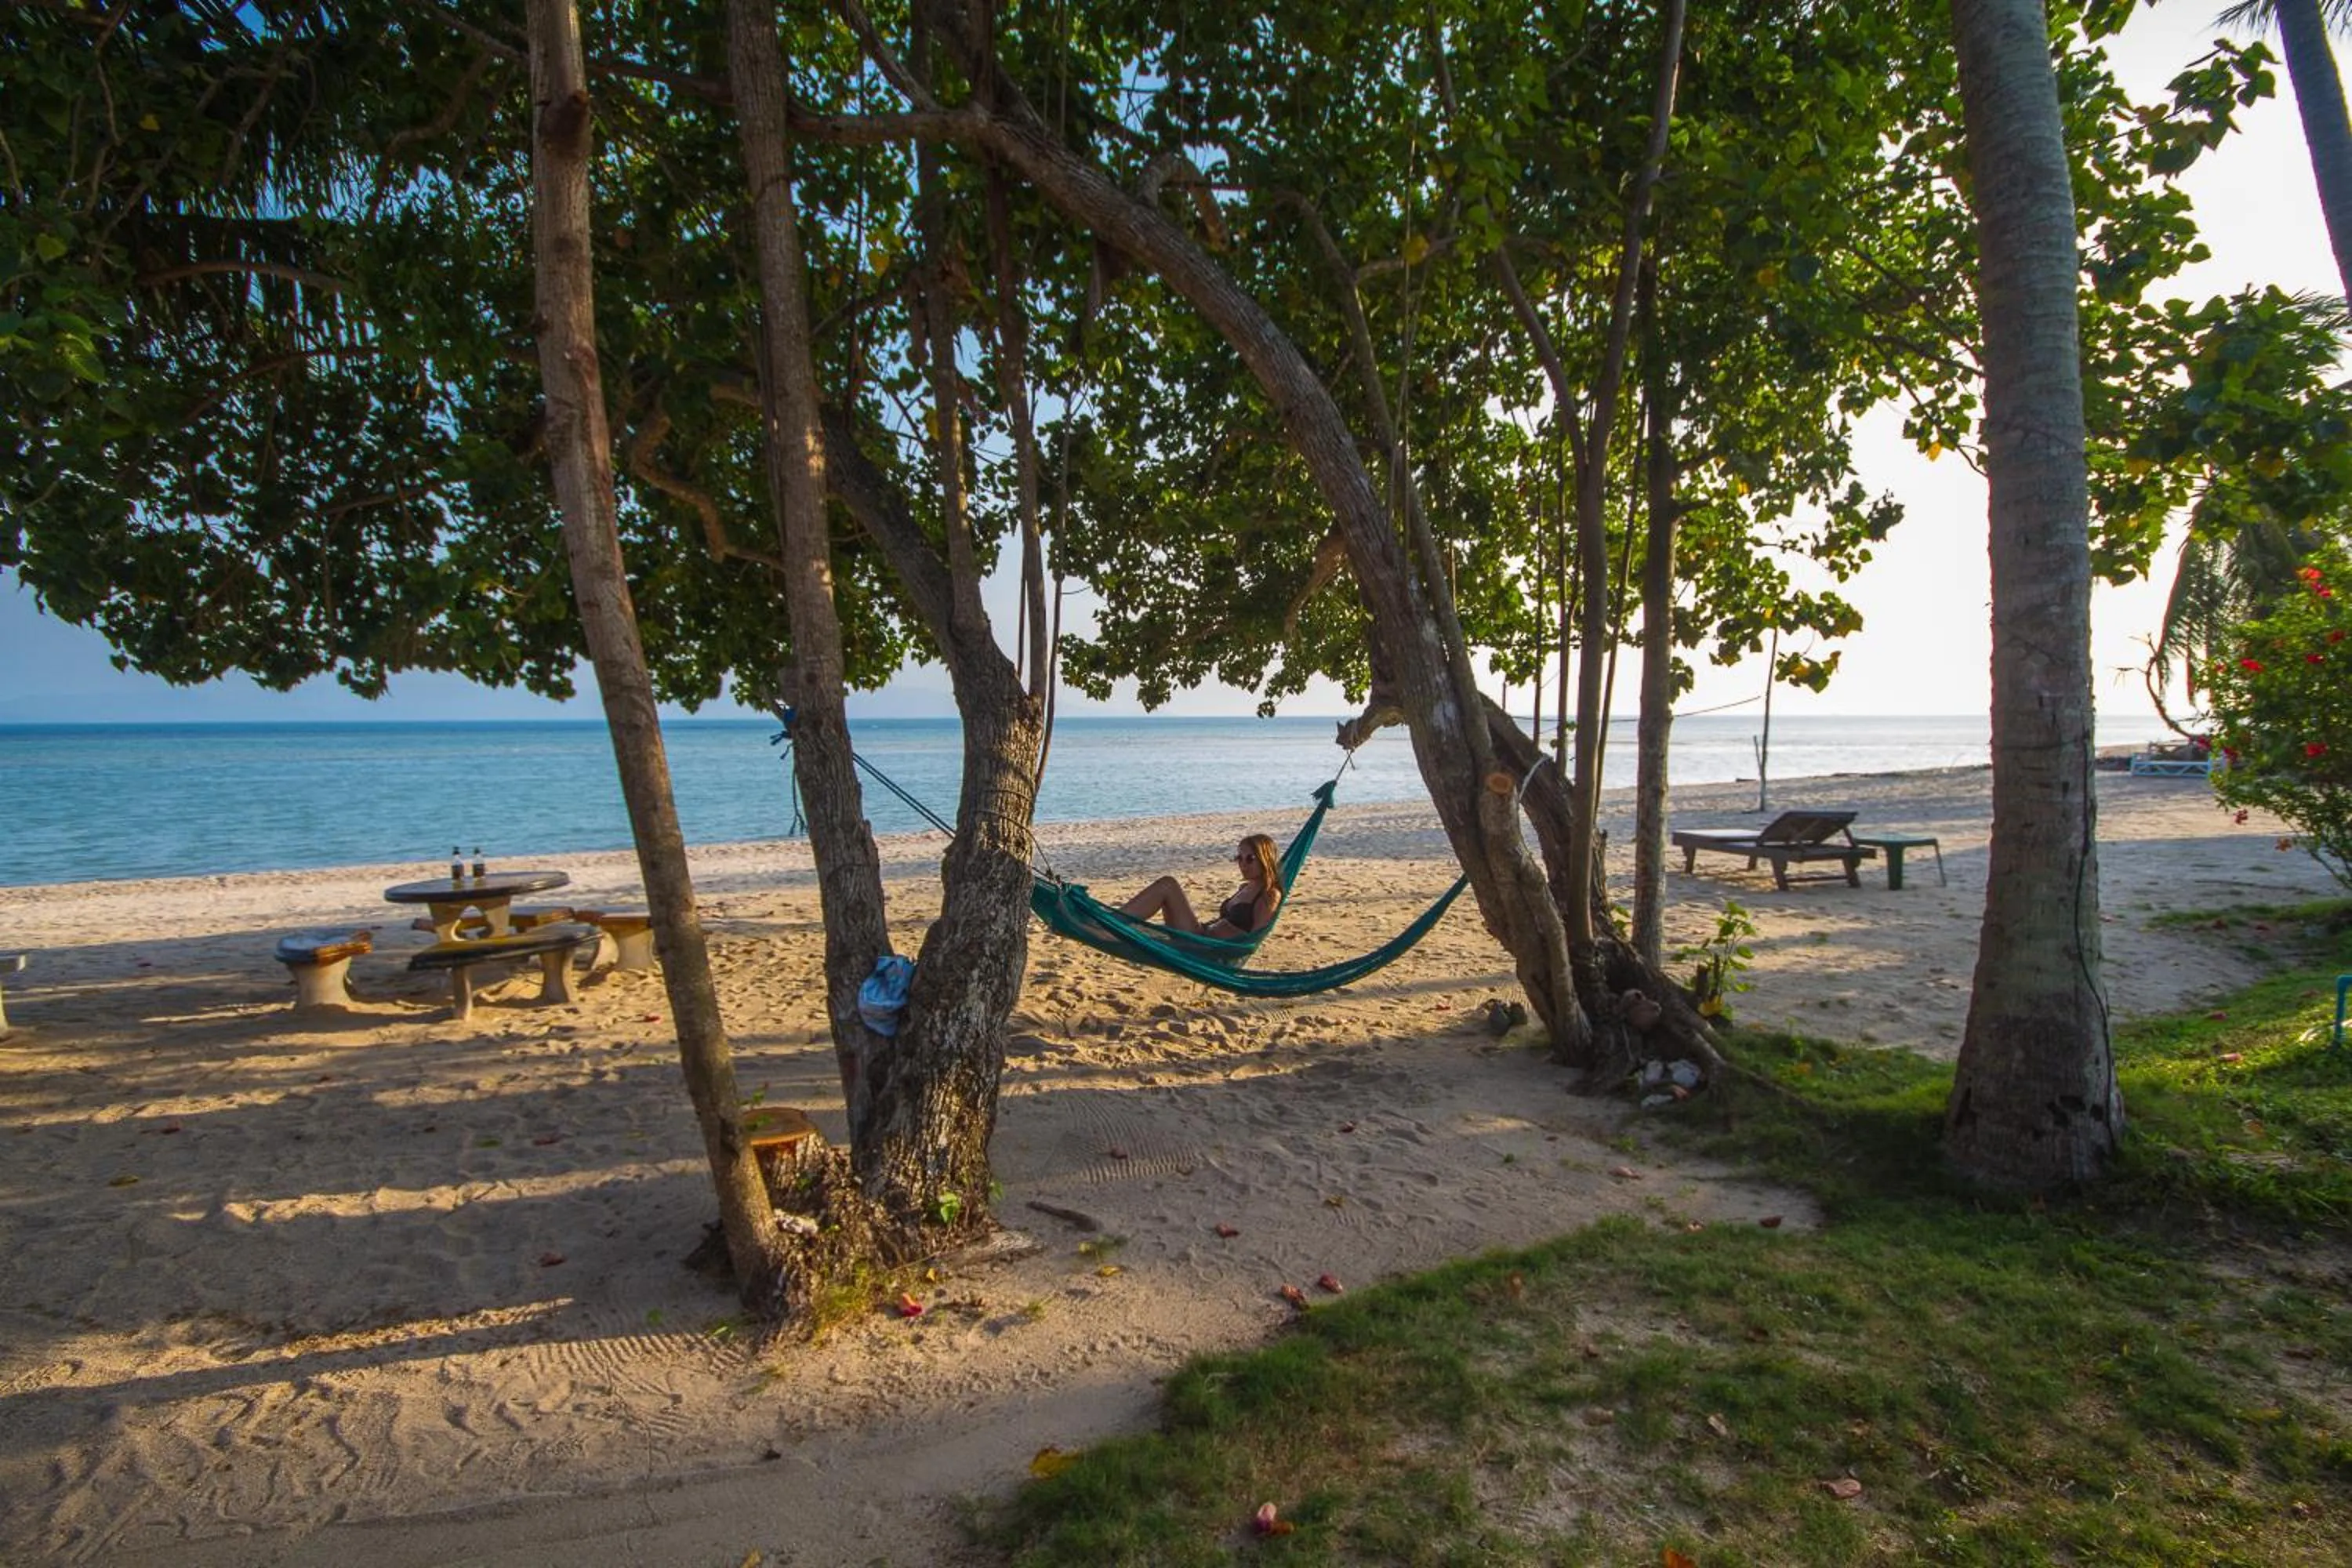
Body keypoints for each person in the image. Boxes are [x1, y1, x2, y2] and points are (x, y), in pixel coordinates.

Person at [1119, 833, 1283, 938]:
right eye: (1239, 858)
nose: (1243, 864)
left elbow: (1255, 938)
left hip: (1205, 945)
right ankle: (1112, 923)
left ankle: (1114, 923)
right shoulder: (1244, 888)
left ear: (1265, 859)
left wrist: (1229, 932)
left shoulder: (1269, 894)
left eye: (1250, 859)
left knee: (1168, 885)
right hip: (1202, 934)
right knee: (1167, 886)